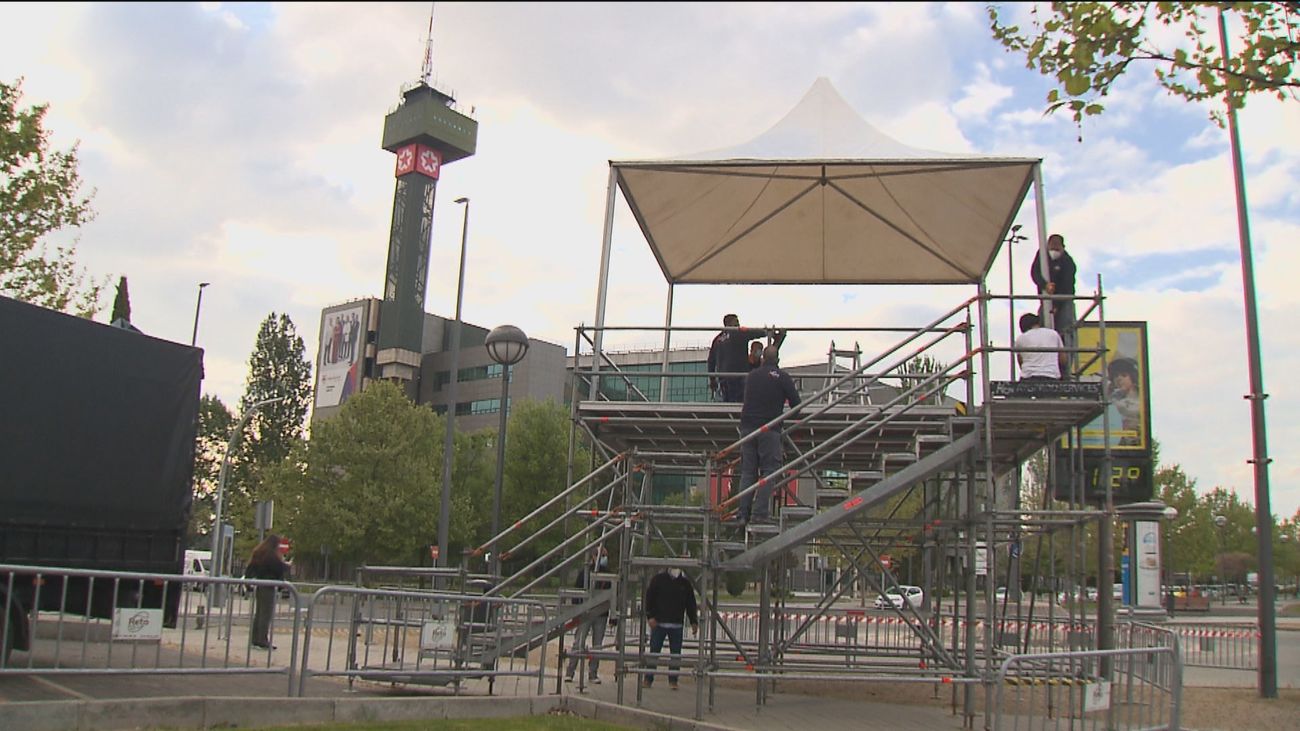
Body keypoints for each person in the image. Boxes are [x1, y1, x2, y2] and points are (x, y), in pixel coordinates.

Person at [737, 345, 801, 525]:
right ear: (778, 360)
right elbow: (796, 404)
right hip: (769, 428)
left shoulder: (751, 376)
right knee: (770, 470)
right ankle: (759, 513)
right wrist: (783, 419)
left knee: (748, 472)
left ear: (763, 359)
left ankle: (743, 514)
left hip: (747, 428)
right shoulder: (782, 377)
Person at [642, 566, 699, 690]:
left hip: (676, 624)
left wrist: (694, 621)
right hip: (659, 624)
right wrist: (650, 616)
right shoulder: (658, 580)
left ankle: (673, 680)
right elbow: (649, 598)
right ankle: (648, 678)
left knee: (676, 655)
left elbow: (690, 603)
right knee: (654, 652)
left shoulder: (685, 584)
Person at [707, 314, 783, 402]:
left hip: (723, 377)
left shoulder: (717, 340)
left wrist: (712, 380)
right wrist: (768, 332)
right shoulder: (738, 332)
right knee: (740, 403)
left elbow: (711, 361)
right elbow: (753, 332)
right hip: (739, 376)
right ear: (731, 323)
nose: (738, 325)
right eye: (737, 322)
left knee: (728, 402)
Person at [565, 546, 612, 685]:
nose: (603, 558)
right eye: (601, 555)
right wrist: (576, 612)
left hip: (601, 614)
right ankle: (570, 672)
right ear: (593, 556)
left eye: (605, 555)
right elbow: (577, 592)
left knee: (597, 645)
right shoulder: (584, 572)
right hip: (585, 613)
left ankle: (593, 673)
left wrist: (611, 615)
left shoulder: (608, 574)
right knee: (578, 642)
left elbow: (612, 594)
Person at [1029, 233, 1077, 369]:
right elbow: (1035, 273)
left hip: (1064, 300)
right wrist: (1045, 285)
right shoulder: (1042, 256)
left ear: (1063, 247)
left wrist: (1056, 305)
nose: (1054, 251)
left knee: (1065, 331)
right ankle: (1046, 364)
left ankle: (1066, 367)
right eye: (1052, 246)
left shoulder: (1068, 262)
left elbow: (1067, 285)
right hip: (1046, 299)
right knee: (1045, 329)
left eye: (1057, 248)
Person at [243, 533, 290, 650]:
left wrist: (248, 584)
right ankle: (262, 640)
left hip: (261, 584)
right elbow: (279, 568)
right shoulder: (271, 556)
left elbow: (250, 568)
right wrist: (286, 565)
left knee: (259, 613)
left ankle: (255, 639)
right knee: (266, 614)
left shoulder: (259, 552)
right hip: (269, 586)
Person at [1013, 313, 1066, 381]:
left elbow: (1020, 361)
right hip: (1051, 376)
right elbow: (1063, 359)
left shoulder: (1020, 339)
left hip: (1028, 378)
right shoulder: (1053, 333)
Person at [1108, 357, 1141, 445]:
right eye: (1115, 376)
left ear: (1133, 377)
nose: (1119, 379)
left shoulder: (1141, 400)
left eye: (1124, 375)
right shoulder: (1112, 398)